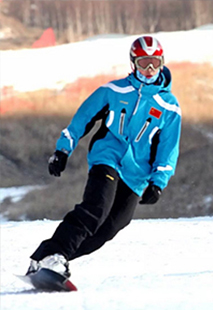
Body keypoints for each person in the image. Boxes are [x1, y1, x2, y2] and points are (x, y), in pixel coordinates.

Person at [26, 36, 182, 277]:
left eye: (154, 63)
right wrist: (62, 149)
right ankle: (54, 254)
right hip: (107, 158)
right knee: (96, 208)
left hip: (136, 175)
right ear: (133, 63)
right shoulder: (113, 91)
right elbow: (82, 119)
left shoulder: (169, 106)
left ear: (162, 62)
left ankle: (49, 258)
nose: (149, 70)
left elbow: (168, 148)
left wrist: (158, 182)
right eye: (143, 63)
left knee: (109, 227)